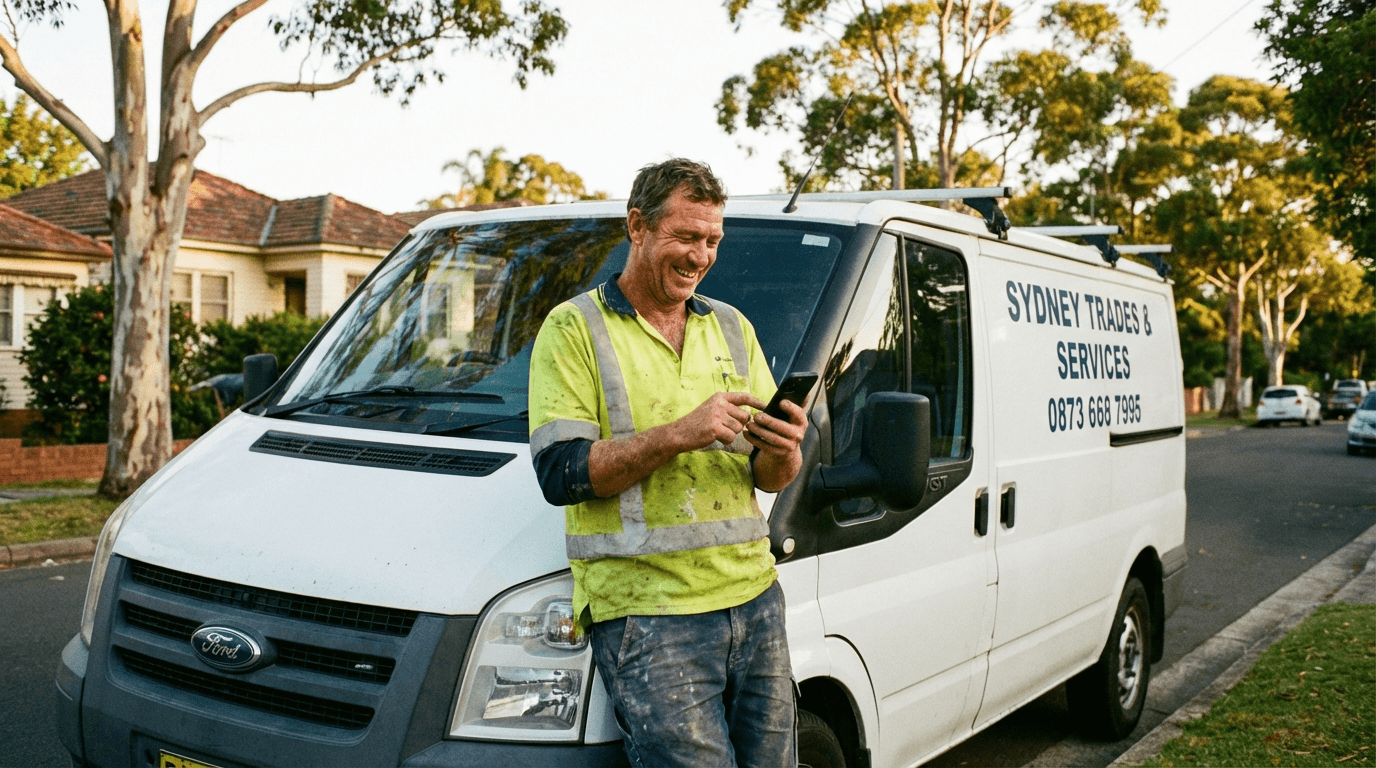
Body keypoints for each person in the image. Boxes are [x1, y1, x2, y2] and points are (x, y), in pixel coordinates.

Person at [527, 158, 808, 767]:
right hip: (648, 618)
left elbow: (763, 475)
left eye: (712, 241)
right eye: (686, 237)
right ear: (637, 226)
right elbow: (561, 472)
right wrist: (681, 432)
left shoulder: (731, 327)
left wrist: (785, 451)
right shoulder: (574, 328)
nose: (701, 256)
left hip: (755, 598)